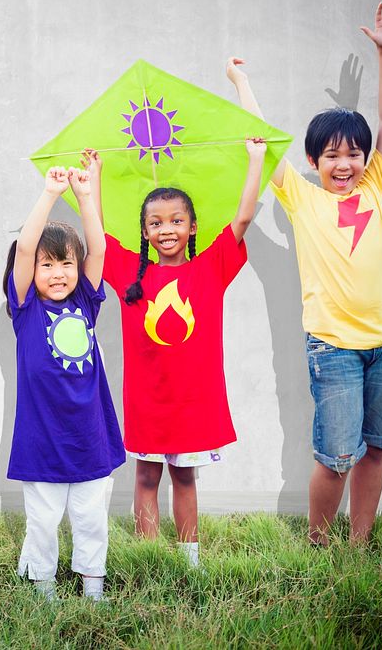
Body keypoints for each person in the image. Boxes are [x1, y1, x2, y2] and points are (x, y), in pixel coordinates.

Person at [226, 0, 382, 547]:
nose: (344, 164)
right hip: (333, 346)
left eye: (353, 154)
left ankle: (360, 542)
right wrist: (239, 82)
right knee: (336, 457)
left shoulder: (379, 185)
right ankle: (320, 542)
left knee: (376, 446)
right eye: (331, 155)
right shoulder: (301, 199)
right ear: (313, 162)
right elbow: (261, 131)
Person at [99, 137, 266, 567]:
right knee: (146, 475)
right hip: (147, 401)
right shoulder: (128, 276)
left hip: (191, 402)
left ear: (192, 227)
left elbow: (244, 216)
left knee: (185, 477)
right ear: (144, 232)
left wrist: (256, 158)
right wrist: (93, 179)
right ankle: (149, 555)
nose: (166, 229)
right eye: (155, 223)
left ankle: (190, 556)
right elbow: (96, 237)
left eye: (176, 220)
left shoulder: (210, 269)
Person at [2, 163, 125, 602]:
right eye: (47, 265)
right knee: (43, 519)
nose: (57, 273)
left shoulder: (86, 302)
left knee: (92, 516)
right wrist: (50, 194)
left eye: (65, 264)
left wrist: (86, 196)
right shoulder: (26, 308)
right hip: (42, 438)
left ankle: (94, 584)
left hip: (89, 435)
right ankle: (45, 587)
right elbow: (23, 251)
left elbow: (99, 250)